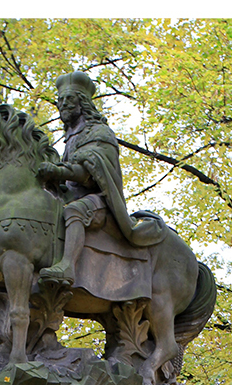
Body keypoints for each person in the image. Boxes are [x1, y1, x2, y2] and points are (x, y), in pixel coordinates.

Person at [38, 71, 163, 285]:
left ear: (82, 102)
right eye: (60, 100)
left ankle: (67, 266)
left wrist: (57, 171)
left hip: (98, 199)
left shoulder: (99, 132)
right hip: (70, 194)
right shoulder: (69, 137)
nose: (63, 104)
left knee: (74, 211)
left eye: (69, 99)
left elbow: (89, 174)